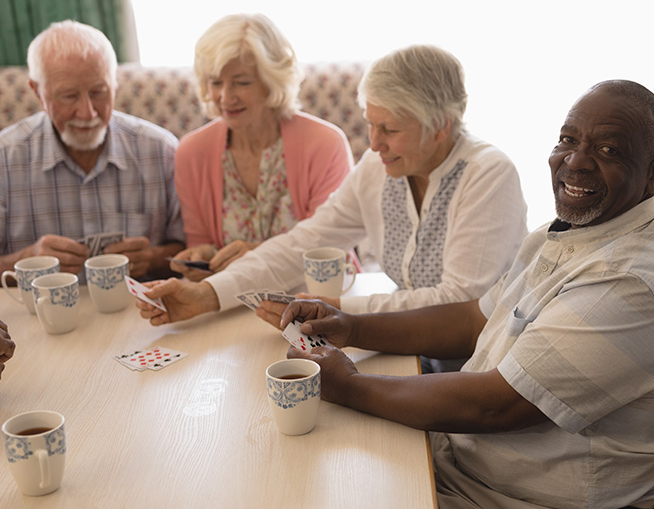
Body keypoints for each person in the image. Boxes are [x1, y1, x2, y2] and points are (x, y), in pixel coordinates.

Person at [259, 80, 654, 508]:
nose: (575, 161)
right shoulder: (574, 232)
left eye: (608, 149)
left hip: (511, 498)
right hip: (469, 466)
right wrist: (353, 326)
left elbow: (498, 405)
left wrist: (351, 385)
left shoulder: (630, 281)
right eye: (567, 140)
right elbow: (473, 320)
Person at [136, 44, 528, 372]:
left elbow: (457, 305)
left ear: (441, 126)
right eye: (370, 124)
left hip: (481, 363)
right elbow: (302, 242)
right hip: (406, 351)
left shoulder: (488, 174)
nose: (373, 144)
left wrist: (336, 312)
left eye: (390, 130)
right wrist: (206, 293)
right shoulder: (379, 168)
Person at [171, 14, 353, 279]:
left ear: (272, 81)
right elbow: (199, 242)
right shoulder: (191, 153)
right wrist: (201, 257)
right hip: (230, 299)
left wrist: (258, 255)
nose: (226, 97)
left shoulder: (325, 145)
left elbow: (328, 248)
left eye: (242, 82)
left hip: (318, 299)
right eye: (216, 82)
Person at [0, 20, 185, 279]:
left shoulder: (162, 151)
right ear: (37, 92)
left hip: (141, 315)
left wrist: (154, 259)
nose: (88, 113)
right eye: (69, 96)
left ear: (115, 83)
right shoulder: (5, 159)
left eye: (99, 92)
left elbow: (195, 252)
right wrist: (23, 260)